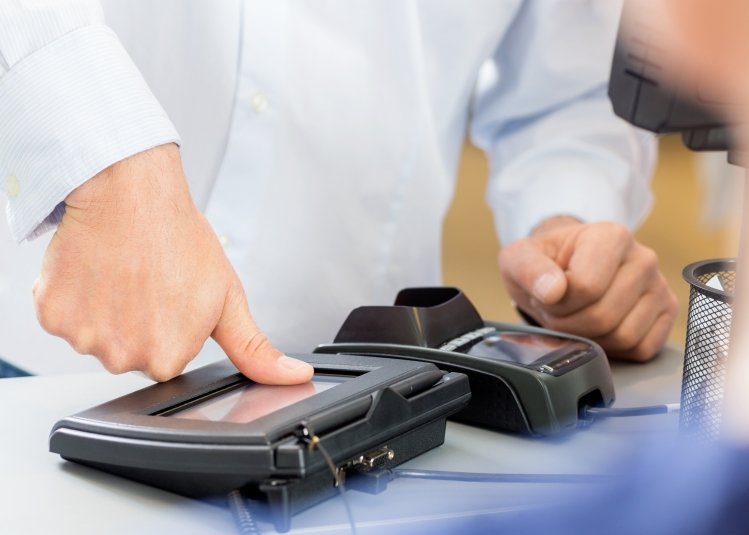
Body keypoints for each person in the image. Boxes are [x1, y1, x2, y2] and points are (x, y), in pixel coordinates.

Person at [0, 0, 678, 381]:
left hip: (359, 391)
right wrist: (104, 153)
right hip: (35, 362)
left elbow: (567, 88)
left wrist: (567, 222)